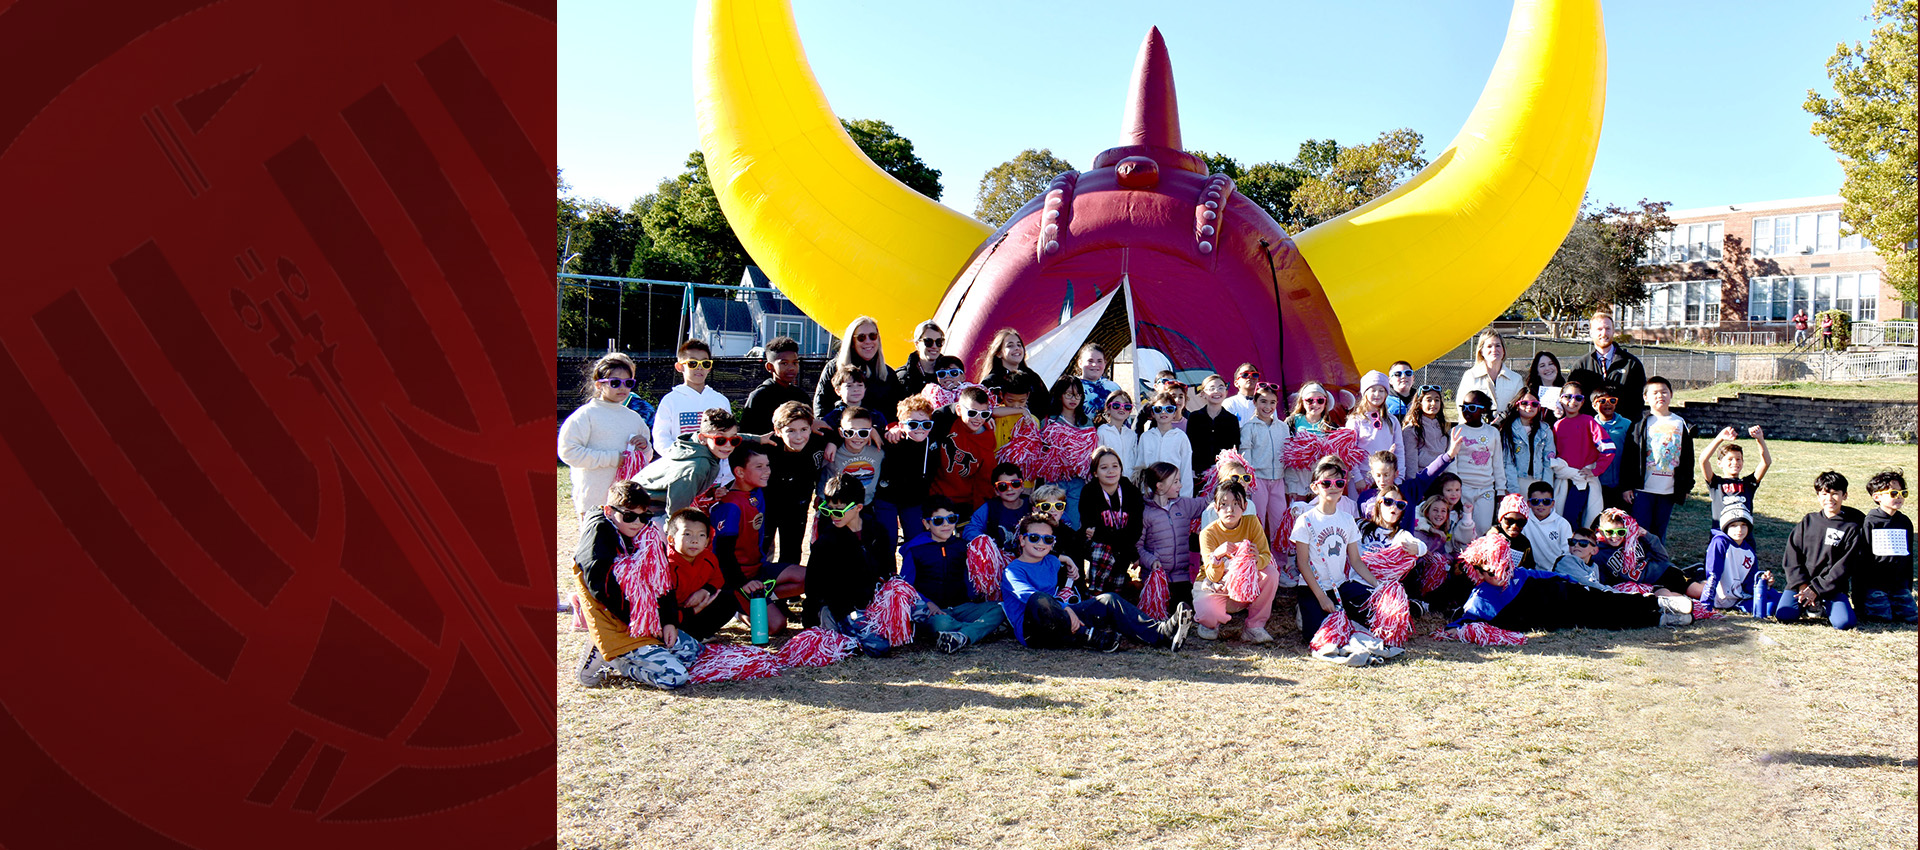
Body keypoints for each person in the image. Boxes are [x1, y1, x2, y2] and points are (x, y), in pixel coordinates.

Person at [573, 481, 703, 689]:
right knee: (674, 677)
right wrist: (645, 622)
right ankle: (616, 660)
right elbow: (602, 589)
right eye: (629, 516)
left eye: (644, 516)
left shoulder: (649, 535)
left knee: (694, 653)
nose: (637, 523)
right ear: (608, 511)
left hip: (647, 618)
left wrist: (668, 622)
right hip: (617, 620)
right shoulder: (598, 536)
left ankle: (627, 653)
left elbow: (663, 582)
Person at [1000, 514, 1195, 652]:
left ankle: (1162, 633)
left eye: (1048, 539)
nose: (1041, 543)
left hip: (1061, 620)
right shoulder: (1012, 571)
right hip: (1034, 632)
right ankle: (1089, 635)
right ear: (1022, 540)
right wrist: (1066, 610)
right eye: (1034, 538)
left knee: (1108, 599)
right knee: (1039, 599)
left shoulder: (1051, 561)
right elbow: (1030, 597)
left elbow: (1059, 555)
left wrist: (1066, 560)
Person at [708, 445, 805, 634]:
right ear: (739, 472)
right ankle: (739, 609)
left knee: (810, 578)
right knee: (776, 626)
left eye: (767, 465)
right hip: (737, 578)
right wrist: (741, 583)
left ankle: (762, 597)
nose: (767, 471)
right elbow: (722, 552)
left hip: (758, 569)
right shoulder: (731, 506)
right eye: (759, 467)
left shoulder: (756, 492)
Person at [1290, 458, 1383, 641]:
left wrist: (1377, 585)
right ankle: (1306, 611)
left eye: (1339, 482)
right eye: (1326, 483)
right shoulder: (1306, 520)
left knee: (1372, 615)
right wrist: (1322, 597)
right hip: (1312, 588)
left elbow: (1355, 560)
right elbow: (1302, 563)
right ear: (1315, 487)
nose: (1333, 487)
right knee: (1318, 638)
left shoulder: (1347, 520)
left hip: (1339, 585)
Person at [899, 497, 1007, 652]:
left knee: (1000, 608)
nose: (946, 525)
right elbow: (906, 586)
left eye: (951, 519)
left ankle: (962, 635)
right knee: (943, 624)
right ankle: (976, 630)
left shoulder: (963, 547)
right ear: (926, 524)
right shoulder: (915, 550)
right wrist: (927, 603)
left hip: (962, 606)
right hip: (933, 612)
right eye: (938, 521)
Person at [558, 352, 648, 522]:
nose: (622, 388)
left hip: (626, 504)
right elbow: (568, 452)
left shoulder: (634, 417)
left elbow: (646, 456)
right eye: (615, 383)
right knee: (596, 546)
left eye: (628, 383)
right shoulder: (586, 415)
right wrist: (614, 459)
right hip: (594, 499)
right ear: (599, 385)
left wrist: (644, 447)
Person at [1776, 470, 1865, 629]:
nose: (1829, 499)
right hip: (1802, 585)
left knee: (1844, 623)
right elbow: (1792, 555)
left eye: (1834, 494)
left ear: (1844, 495)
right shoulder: (1808, 521)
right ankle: (1807, 604)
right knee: (1785, 616)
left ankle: (1822, 606)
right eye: (1824, 494)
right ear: (1818, 496)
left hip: (1831, 587)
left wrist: (1817, 589)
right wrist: (1802, 585)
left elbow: (1844, 567)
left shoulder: (1851, 527)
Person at [803, 474, 893, 629]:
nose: (833, 516)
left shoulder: (877, 532)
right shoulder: (826, 541)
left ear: (858, 507)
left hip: (869, 602)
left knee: (881, 643)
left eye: (839, 511)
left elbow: (888, 569)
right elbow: (813, 586)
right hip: (837, 606)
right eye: (829, 510)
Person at [1195, 482, 1279, 643]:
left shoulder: (1252, 522)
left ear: (1245, 506)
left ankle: (1255, 626)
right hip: (1217, 586)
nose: (1230, 510)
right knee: (1209, 621)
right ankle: (1210, 621)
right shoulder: (1207, 534)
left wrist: (1255, 560)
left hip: (1243, 587)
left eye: (1236, 504)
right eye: (1224, 504)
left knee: (1271, 573)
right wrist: (1218, 556)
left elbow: (1265, 556)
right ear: (1216, 507)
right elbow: (1212, 576)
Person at [1618, 376, 1693, 540]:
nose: (1660, 396)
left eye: (1664, 392)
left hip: (1668, 490)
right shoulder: (1640, 423)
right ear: (1646, 397)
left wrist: (1686, 486)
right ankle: (1638, 564)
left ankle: (1658, 564)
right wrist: (1626, 486)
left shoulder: (1680, 423)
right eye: (1655, 393)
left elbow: (1688, 458)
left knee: (1659, 533)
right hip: (1643, 490)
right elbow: (1629, 456)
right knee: (1640, 531)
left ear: (1671, 394)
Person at [634, 408, 743, 516]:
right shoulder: (696, 468)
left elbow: (733, 436)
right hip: (641, 506)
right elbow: (676, 512)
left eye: (734, 440)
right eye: (720, 440)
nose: (728, 445)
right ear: (703, 438)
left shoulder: (694, 444)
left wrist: (759, 439)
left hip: (651, 498)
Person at [1137, 462, 1212, 614]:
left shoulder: (1183, 505)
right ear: (1160, 486)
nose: (1180, 485)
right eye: (1175, 481)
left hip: (1181, 576)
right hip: (1157, 578)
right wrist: (1151, 561)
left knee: (1189, 608)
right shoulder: (1146, 512)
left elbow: (1206, 502)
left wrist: (1224, 481)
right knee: (1163, 611)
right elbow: (1138, 547)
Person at [762, 402, 830, 563]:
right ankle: (760, 586)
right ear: (778, 431)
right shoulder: (767, 447)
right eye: (791, 431)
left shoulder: (818, 443)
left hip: (798, 506)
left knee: (792, 552)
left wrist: (833, 441)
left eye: (803, 430)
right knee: (761, 550)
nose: (798, 437)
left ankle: (786, 585)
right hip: (767, 505)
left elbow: (840, 431)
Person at [1079, 446, 1147, 600]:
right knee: (1102, 550)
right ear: (1095, 472)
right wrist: (1128, 550)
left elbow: (1135, 530)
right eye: (1104, 467)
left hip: (1124, 547)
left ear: (1121, 469)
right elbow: (1092, 532)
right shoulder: (1089, 492)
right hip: (1100, 547)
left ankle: (1114, 599)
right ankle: (1095, 596)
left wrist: (1123, 546)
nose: (1111, 471)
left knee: (1116, 560)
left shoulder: (1131, 492)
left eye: (1115, 466)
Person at [661, 508, 738, 641]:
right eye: (687, 534)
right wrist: (692, 611)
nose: (695, 540)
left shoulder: (708, 557)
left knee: (729, 599)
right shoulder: (666, 565)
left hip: (697, 606)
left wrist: (705, 590)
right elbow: (665, 608)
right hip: (673, 616)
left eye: (701, 535)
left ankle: (700, 634)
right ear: (671, 539)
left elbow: (718, 579)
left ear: (708, 540)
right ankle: (687, 637)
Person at [872, 396, 936, 549]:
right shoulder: (892, 438)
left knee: (916, 540)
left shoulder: (932, 441)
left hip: (914, 500)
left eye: (926, 424)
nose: (920, 428)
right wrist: (889, 429)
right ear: (901, 425)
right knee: (887, 539)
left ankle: (912, 573)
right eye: (913, 424)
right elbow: (866, 428)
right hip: (887, 497)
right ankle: (888, 572)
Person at [925, 385, 1001, 513]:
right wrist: (895, 428)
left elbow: (985, 480)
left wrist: (978, 510)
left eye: (984, 414)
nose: (978, 418)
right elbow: (917, 424)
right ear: (959, 410)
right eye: (972, 413)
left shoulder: (987, 438)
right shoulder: (944, 421)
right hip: (936, 496)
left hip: (966, 502)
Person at [1549, 378, 1614, 527]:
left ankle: (1578, 548)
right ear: (1560, 400)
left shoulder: (1588, 421)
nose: (1573, 401)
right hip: (1563, 480)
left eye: (1578, 397)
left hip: (1581, 481)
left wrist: (1596, 470)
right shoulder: (1557, 425)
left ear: (1583, 402)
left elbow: (1609, 448)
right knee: (1560, 520)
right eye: (1568, 397)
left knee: (1573, 520)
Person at [813, 315, 902, 424]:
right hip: (842, 434)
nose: (868, 341)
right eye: (861, 338)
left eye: (873, 336)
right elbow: (821, 406)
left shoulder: (888, 374)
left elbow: (896, 411)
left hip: (879, 435)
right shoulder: (834, 368)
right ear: (852, 342)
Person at [652, 339, 733, 458]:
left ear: (710, 367)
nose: (699, 368)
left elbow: (729, 436)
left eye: (705, 363)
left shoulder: (720, 400)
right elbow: (661, 438)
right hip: (682, 470)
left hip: (717, 471)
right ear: (679, 367)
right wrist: (679, 458)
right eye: (692, 363)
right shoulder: (670, 401)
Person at [1593, 508, 1700, 597]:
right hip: (1646, 586)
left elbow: (1663, 557)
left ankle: (1700, 576)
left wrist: (1647, 536)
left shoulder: (1635, 539)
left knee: (1699, 593)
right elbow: (1604, 580)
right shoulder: (1599, 553)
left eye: (1621, 532)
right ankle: (1692, 579)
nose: (1615, 536)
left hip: (1662, 573)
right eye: (1609, 532)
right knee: (1669, 599)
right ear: (1601, 531)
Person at [1857, 470, 1917, 624]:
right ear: (1877, 497)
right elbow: (1862, 559)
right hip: (1875, 584)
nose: (1899, 497)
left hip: (1898, 584)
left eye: (1903, 493)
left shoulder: (1905, 522)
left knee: (1911, 617)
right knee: (1883, 618)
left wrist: (1907, 587)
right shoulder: (1870, 522)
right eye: (1894, 493)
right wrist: (1861, 594)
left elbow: (1908, 556)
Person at [1702, 506, 1779, 616]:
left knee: (1779, 597)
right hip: (1726, 600)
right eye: (1733, 525)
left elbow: (1749, 584)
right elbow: (1713, 575)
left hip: (1743, 595)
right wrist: (1706, 605)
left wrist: (1764, 583)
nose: (1739, 530)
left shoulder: (1749, 551)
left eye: (1744, 525)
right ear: (1726, 527)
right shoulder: (1719, 543)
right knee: (1770, 607)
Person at [1572, 312, 1647, 421]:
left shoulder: (1631, 364)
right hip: (1590, 430)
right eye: (1599, 329)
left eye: (1607, 328)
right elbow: (1573, 398)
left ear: (1613, 331)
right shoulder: (1580, 366)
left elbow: (1638, 401)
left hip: (1622, 430)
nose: (1604, 333)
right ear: (1591, 332)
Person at [1451, 390, 1506, 534]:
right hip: (1463, 489)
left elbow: (1498, 463)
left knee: (1483, 528)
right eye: (1464, 407)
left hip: (1486, 489)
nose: (1467, 411)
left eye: (1472, 408)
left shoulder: (1493, 433)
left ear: (1484, 410)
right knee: (1461, 528)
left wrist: (1500, 489)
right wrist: (1453, 488)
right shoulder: (1457, 431)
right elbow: (1452, 462)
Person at [1238, 384, 1290, 533]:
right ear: (1254, 402)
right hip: (1257, 481)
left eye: (1272, 402)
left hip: (1278, 480)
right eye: (1263, 401)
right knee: (1256, 521)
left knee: (1279, 522)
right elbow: (1245, 459)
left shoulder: (1283, 427)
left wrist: (1289, 483)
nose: (1268, 406)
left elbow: (1287, 454)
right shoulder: (1249, 428)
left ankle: (1279, 557)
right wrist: (1247, 484)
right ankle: (1256, 555)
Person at [1698, 426, 1772, 525]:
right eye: (1730, 459)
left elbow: (1766, 462)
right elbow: (1703, 460)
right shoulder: (1716, 483)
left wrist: (1760, 439)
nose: (1735, 462)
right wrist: (1719, 438)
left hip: (1744, 536)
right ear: (1719, 463)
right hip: (1721, 535)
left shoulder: (1748, 483)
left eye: (1738, 459)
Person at [1347, 370, 1405, 486]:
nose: (1377, 394)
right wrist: (1357, 478)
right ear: (1365, 393)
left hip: (1386, 477)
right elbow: (1349, 451)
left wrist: (1399, 478)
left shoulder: (1392, 421)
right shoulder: (1355, 420)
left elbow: (1399, 449)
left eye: (1381, 390)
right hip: (1362, 477)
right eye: (1373, 390)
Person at [740, 336, 807, 435]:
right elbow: (746, 434)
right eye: (784, 363)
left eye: (795, 363)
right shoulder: (759, 397)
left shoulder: (801, 396)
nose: (791, 368)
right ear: (770, 367)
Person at [1500, 388, 1557, 500]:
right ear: (1517, 405)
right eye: (1524, 403)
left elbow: (1548, 461)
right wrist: (1513, 491)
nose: (1529, 407)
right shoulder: (1508, 429)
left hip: (1538, 480)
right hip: (1516, 479)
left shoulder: (1545, 430)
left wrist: (1547, 488)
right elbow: (1507, 462)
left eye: (1534, 404)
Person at [1284, 381, 1338, 499]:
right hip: (1298, 480)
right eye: (1310, 400)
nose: (1315, 404)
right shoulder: (1292, 422)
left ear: (1325, 402)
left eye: (1320, 400)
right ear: (1302, 401)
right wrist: (1291, 486)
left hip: (1321, 481)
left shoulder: (1331, 426)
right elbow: (1286, 457)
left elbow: (1335, 459)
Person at [975, 327, 1050, 412]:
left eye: (1019, 345)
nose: (1017, 348)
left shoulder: (1032, 377)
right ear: (999, 353)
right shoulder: (991, 381)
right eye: (1010, 346)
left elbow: (1046, 405)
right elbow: (982, 410)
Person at [963, 462, 1033, 551]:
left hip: (1030, 558)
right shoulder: (989, 508)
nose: (1010, 489)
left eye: (1015, 484)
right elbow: (971, 529)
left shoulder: (1032, 504)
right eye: (1003, 486)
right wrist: (987, 544)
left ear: (1022, 486)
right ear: (996, 491)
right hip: (998, 559)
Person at [1185, 374, 1241, 486]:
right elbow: (1189, 446)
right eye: (1211, 388)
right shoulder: (1194, 417)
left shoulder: (1232, 419)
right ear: (1203, 393)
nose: (1216, 391)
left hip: (1223, 475)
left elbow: (1235, 448)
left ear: (1225, 392)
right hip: (1198, 476)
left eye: (1221, 387)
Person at [822, 406, 884, 506]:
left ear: (871, 432)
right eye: (850, 432)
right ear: (841, 433)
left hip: (866, 505)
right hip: (835, 507)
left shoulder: (878, 450)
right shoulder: (831, 452)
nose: (857, 437)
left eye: (863, 432)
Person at [1455, 329, 1523, 421]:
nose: (1494, 349)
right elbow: (1462, 407)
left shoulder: (1516, 379)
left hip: (1505, 431)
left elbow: (1519, 409)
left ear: (1503, 350)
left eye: (1498, 345)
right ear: (1481, 351)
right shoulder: (1470, 376)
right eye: (1489, 346)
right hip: (1476, 431)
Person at [1138, 390, 1195, 497]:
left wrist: (1185, 499)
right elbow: (1141, 467)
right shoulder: (1145, 437)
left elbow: (1186, 470)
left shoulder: (1181, 437)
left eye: (1169, 409)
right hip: (1150, 495)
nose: (1163, 412)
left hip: (1174, 495)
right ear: (1152, 413)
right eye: (1158, 409)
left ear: (1174, 413)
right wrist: (1143, 493)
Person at [1590, 383, 1636, 511]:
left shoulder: (1627, 425)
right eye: (1602, 401)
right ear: (1594, 405)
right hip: (1597, 483)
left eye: (1612, 400)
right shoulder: (1589, 425)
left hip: (1620, 483)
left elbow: (1632, 456)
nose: (1608, 404)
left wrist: (1628, 485)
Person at [1518, 481, 1572, 568]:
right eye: (1535, 501)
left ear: (1552, 504)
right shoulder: (1523, 521)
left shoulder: (1562, 524)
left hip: (1556, 572)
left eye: (1546, 501)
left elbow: (1567, 553)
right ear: (1529, 504)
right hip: (1530, 572)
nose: (1541, 505)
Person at [824, 363, 889, 431]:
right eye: (849, 386)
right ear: (838, 390)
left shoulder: (875, 415)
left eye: (860, 385)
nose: (856, 389)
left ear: (865, 388)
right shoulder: (833, 417)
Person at [1095, 389, 1142, 478]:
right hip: (1108, 480)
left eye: (1127, 406)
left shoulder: (1132, 435)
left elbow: (1135, 460)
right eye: (1116, 405)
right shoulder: (1101, 432)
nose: (1121, 408)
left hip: (1128, 482)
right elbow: (1096, 460)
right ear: (1108, 410)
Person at [1550, 526, 1613, 591]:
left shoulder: (1594, 566)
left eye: (1583, 543)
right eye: (1573, 542)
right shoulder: (1566, 561)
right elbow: (1588, 584)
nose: (1576, 545)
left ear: (1594, 550)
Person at [1072, 343, 1123, 421]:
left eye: (1099, 361)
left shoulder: (1114, 388)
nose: (1095, 364)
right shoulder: (1071, 387)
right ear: (1080, 363)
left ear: (1105, 363)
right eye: (1090, 361)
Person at [896, 320, 947, 397]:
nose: (934, 346)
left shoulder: (951, 373)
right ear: (917, 344)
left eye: (939, 342)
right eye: (928, 342)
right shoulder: (903, 376)